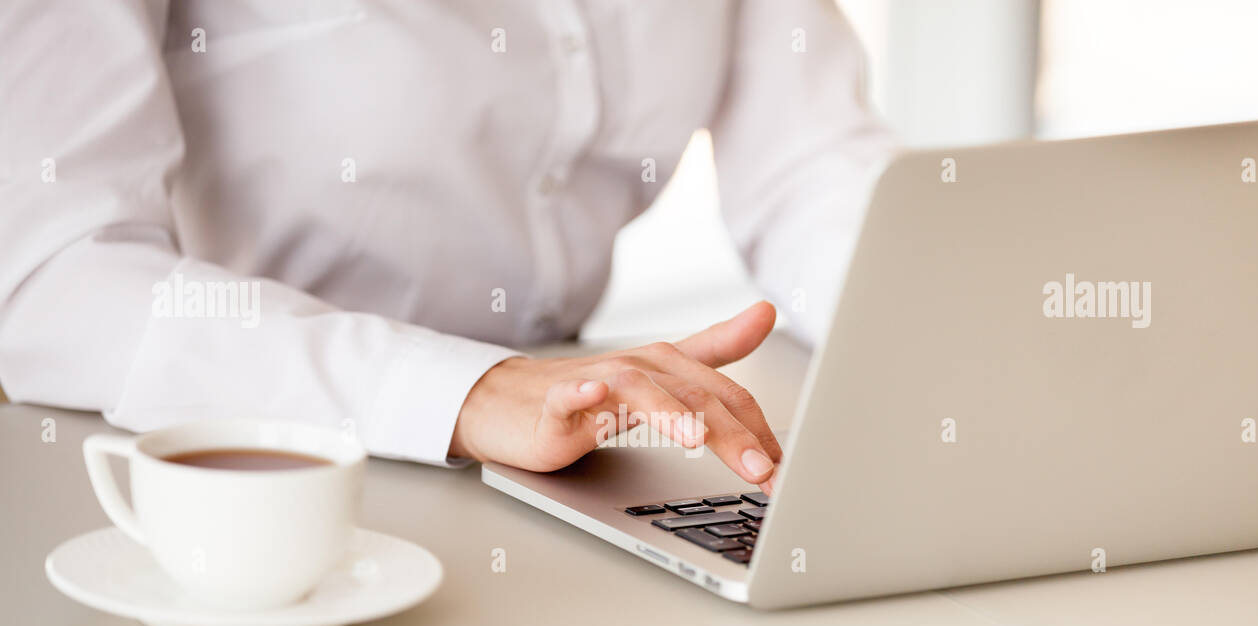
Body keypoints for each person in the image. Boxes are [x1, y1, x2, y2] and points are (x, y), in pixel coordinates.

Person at [0, 0, 892, 493]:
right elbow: (56, 280)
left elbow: (808, 167)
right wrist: (465, 390)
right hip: (229, 478)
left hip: (572, 477)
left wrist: (944, 326)